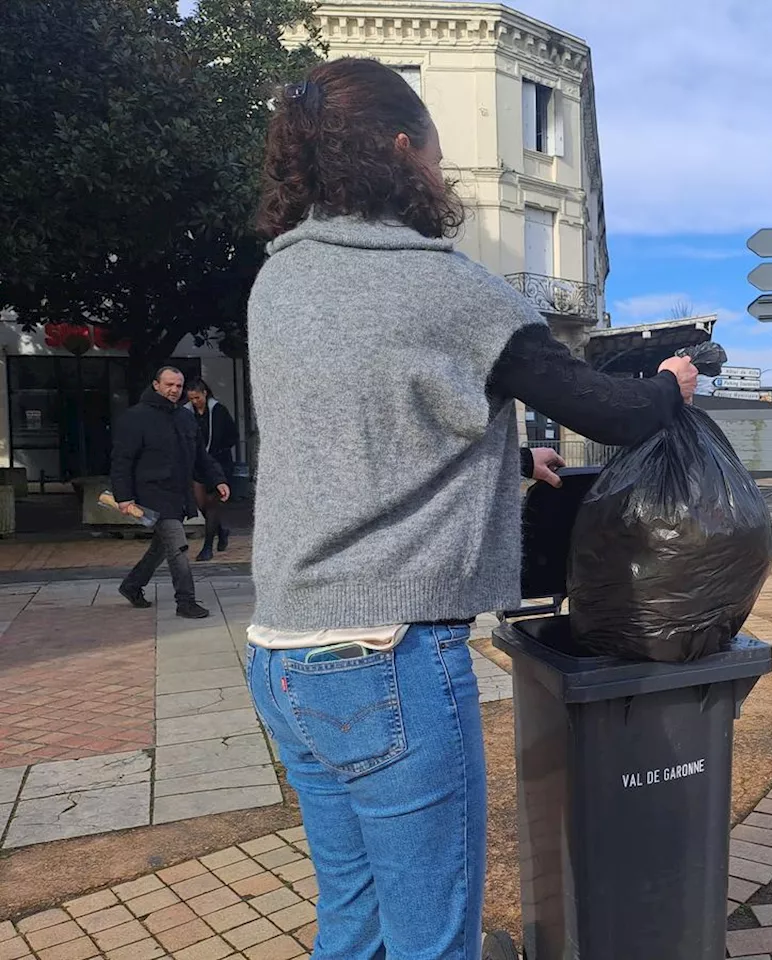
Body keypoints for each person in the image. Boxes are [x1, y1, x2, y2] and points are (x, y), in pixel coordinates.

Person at [245, 58, 698, 960]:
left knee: (355, 926)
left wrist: (503, 452)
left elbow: (370, 426)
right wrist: (672, 385)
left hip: (284, 657)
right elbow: (605, 410)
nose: (444, 179)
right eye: (439, 158)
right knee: (432, 941)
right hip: (388, 658)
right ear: (403, 152)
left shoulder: (279, 283)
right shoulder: (445, 288)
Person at [111, 366, 231, 618]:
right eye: (169, 384)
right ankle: (185, 601)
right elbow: (122, 460)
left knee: (161, 547)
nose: (174, 390)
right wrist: (123, 497)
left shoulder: (185, 418)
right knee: (178, 545)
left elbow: (200, 455)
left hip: (178, 493)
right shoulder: (135, 418)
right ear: (156, 385)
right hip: (151, 494)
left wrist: (218, 479)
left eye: (179, 386)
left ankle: (132, 586)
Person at [185, 378, 239, 560]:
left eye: (197, 397)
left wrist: (218, 450)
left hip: (218, 463)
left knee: (212, 504)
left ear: (205, 393)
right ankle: (221, 531)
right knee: (201, 504)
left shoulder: (218, 411)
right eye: (191, 398)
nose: (195, 402)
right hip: (197, 465)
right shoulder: (186, 413)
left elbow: (233, 435)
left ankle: (207, 547)